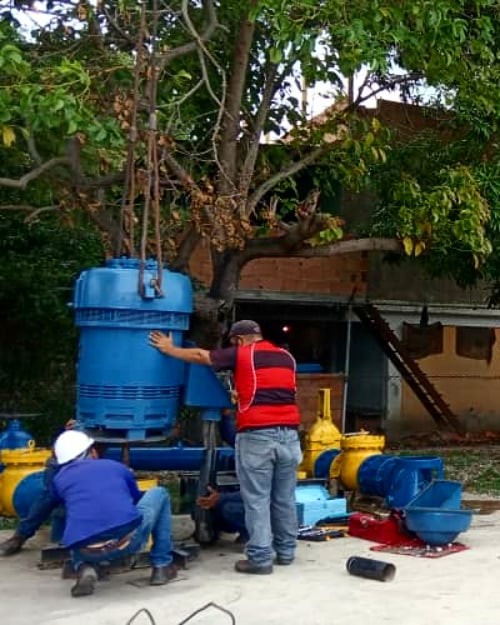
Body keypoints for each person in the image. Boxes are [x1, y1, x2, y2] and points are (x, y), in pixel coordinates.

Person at [149, 319, 303, 575]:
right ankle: (286, 552)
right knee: (284, 498)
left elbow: (201, 355)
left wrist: (169, 349)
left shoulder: (243, 353)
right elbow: (268, 388)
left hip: (258, 436)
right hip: (289, 436)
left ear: (239, 340)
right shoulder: (286, 357)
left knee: (257, 500)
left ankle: (260, 559)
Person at [51, 430, 177, 597]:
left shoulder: (58, 480)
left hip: (85, 550)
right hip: (127, 542)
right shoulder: (114, 466)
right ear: (93, 451)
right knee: (160, 493)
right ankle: (162, 565)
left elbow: (54, 504)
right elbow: (136, 497)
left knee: (74, 512)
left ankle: (84, 567)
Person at [0, 419, 79, 557]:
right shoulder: (77, 427)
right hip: (64, 463)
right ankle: (21, 536)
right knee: (49, 496)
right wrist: (66, 432)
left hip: (87, 460)